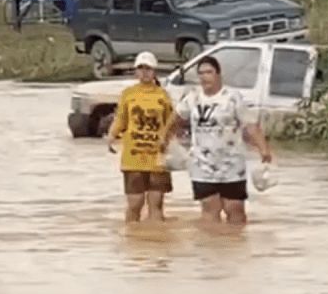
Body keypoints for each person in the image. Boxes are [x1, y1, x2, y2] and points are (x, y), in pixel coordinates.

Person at [168, 55, 274, 225]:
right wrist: (166, 139)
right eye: (201, 73)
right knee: (210, 210)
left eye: (209, 72)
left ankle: (235, 248)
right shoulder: (193, 97)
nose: (204, 77)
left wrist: (263, 149)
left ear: (218, 74)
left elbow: (250, 125)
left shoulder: (232, 97)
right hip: (202, 166)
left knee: (235, 210)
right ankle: (210, 249)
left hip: (231, 166)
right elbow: (175, 119)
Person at [107, 51, 175, 223]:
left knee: (156, 203)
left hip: (157, 158)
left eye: (148, 68)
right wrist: (111, 136)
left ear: (154, 72)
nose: (145, 72)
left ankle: (156, 240)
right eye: (141, 68)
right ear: (136, 71)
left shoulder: (163, 95)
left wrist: (169, 144)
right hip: (133, 158)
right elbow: (121, 118)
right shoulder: (128, 94)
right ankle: (131, 237)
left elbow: (171, 123)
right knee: (135, 203)